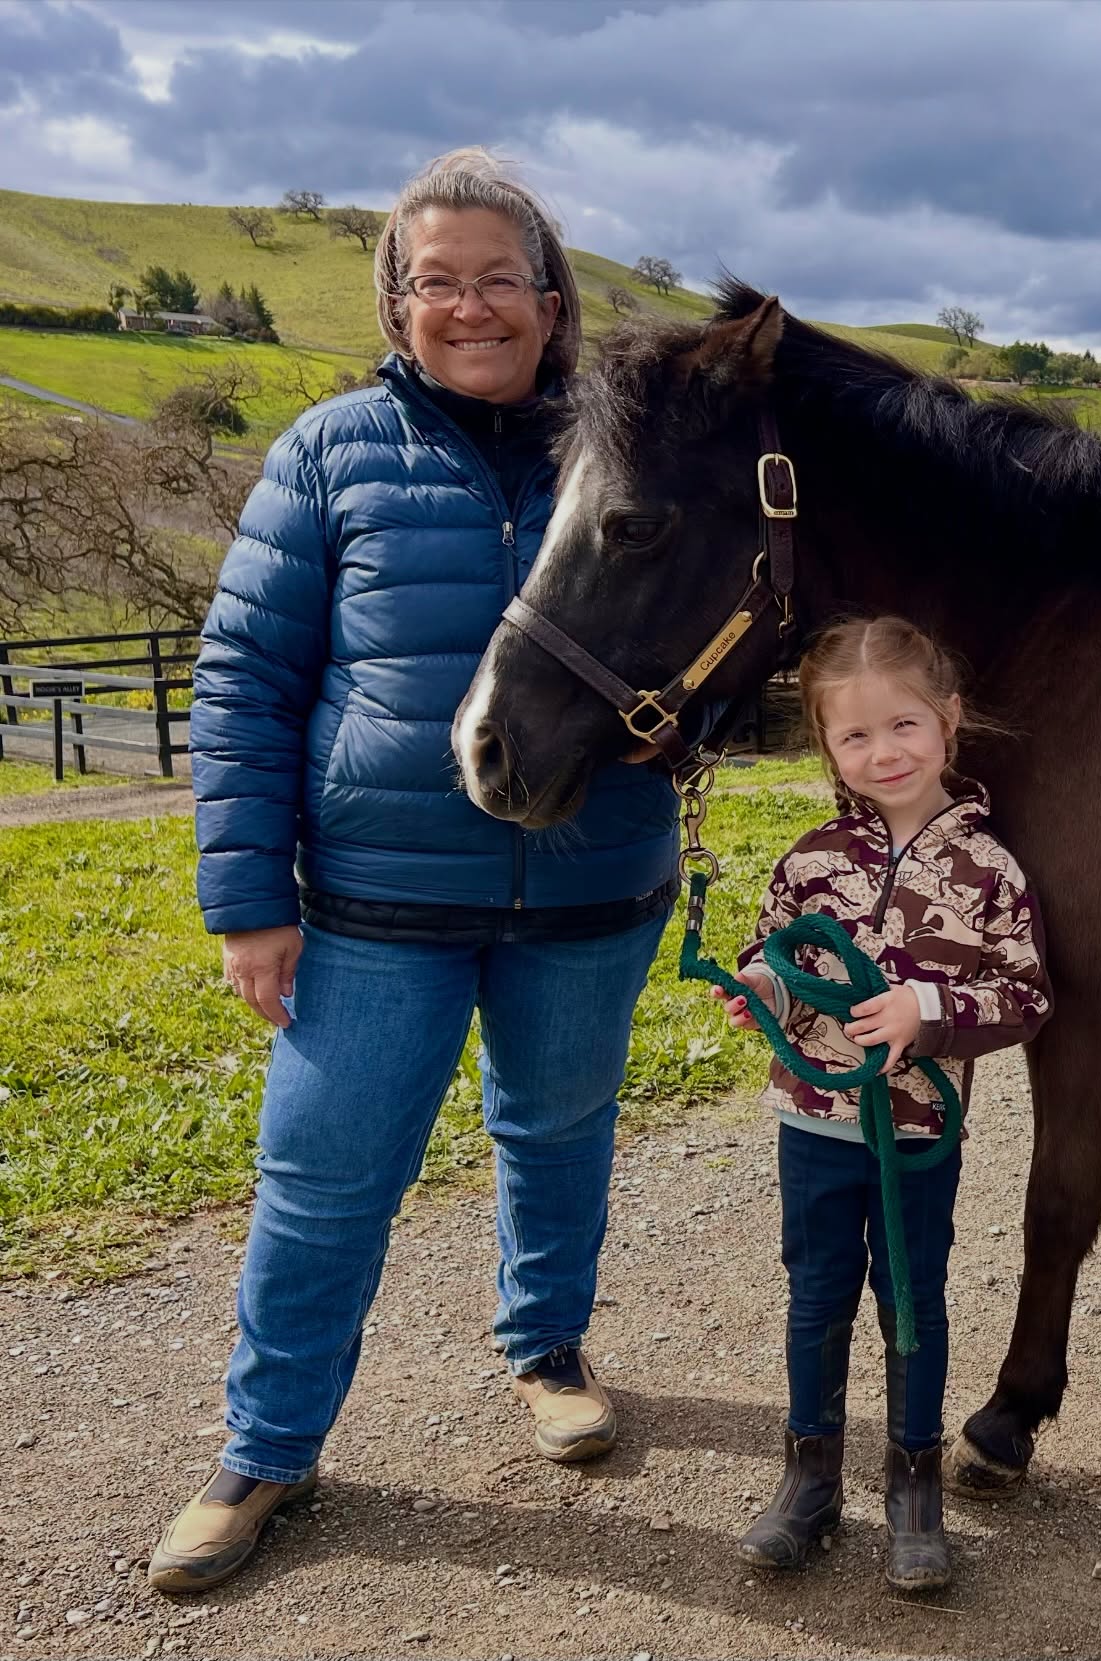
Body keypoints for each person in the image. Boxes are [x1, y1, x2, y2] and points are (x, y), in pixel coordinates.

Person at [149, 147, 685, 1595]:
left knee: (560, 1131)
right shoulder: (328, 454)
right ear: (395, 306)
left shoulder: (625, 449)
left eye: (499, 278)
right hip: (377, 901)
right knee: (323, 1179)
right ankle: (268, 1447)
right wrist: (249, 898)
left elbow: (711, 631)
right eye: (435, 281)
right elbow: (244, 680)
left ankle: (548, 1345)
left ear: (551, 297)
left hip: (591, 889)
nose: (470, 307)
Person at [712, 616, 1052, 1592]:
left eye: (902, 724)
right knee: (816, 1291)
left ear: (949, 721)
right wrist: (763, 990)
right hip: (813, 1119)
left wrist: (930, 1008)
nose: (882, 751)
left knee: (911, 1294)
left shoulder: (990, 870)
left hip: (915, 1133)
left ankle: (915, 1486)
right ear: (825, 744)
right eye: (853, 735)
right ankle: (809, 1478)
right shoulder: (811, 858)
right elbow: (774, 951)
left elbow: (1023, 996)